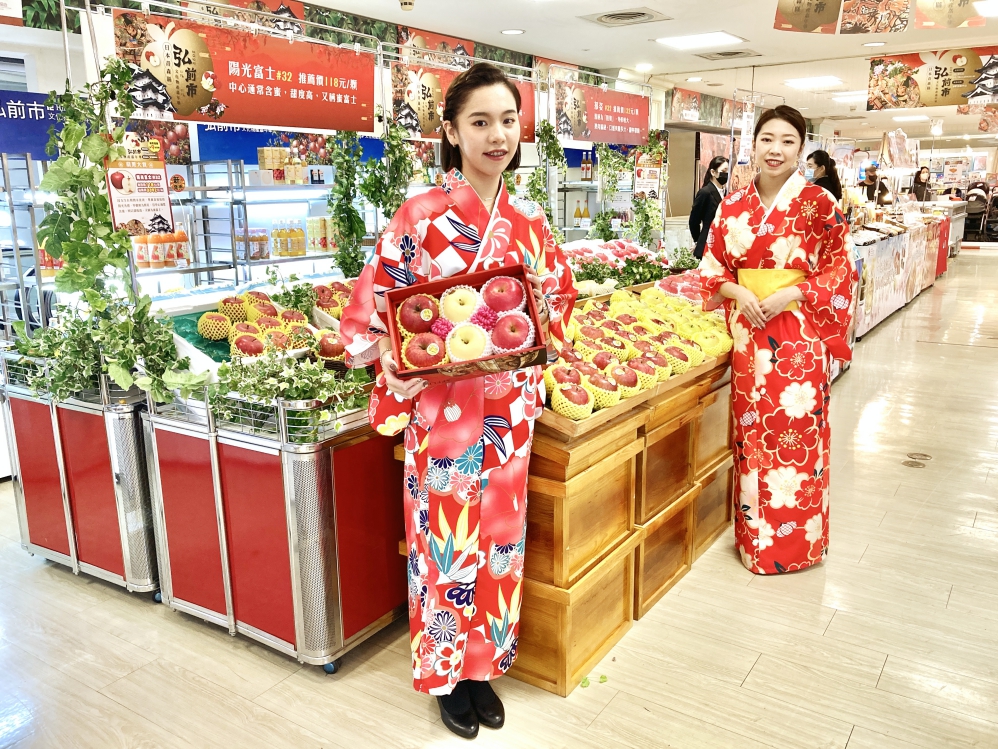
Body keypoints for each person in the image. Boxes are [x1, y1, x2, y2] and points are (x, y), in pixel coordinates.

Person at [339, 63, 576, 739]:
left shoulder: (529, 220)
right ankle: (444, 675)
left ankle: (482, 669)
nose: (498, 134)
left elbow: (558, 300)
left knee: (500, 541)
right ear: (451, 131)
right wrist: (398, 362)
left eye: (508, 119)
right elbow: (369, 319)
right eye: (480, 122)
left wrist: (543, 316)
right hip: (442, 415)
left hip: (507, 415)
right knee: (443, 547)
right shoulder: (418, 217)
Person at [698, 104, 857, 575]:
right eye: (768, 139)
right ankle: (755, 544)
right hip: (749, 333)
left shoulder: (819, 204)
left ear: (801, 150)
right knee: (753, 437)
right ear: (754, 144)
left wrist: (795, 290)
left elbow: (841, 267)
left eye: (788, 141)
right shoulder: (733, 205)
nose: (776, 149)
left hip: (798, 335)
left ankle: (799, 544)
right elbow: (713, 266)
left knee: (796, 437)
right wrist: (735, 290)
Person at [689, 156, 728, 259]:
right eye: (723, 171)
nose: (726, 174)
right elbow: (694, 220)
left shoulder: (727, 194)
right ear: (713, 172)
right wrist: (698, 241)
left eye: (728, 171)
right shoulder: (705, 192)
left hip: (723, 245)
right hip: (707, 244)